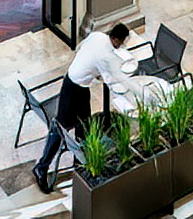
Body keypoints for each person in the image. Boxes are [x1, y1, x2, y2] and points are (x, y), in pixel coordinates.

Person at [32, 22, 134, 193]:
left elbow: (82, 49)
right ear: (116, 39)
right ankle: (41, 167)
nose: (120, 46)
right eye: (121, 42)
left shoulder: (97, 36)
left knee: (85, 126)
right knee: (60, 127)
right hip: (72, 88)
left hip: (80, 86)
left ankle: (79, 165)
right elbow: (111, 80)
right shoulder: (105, 54)